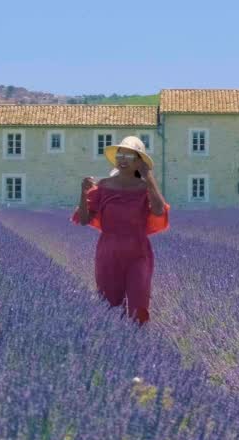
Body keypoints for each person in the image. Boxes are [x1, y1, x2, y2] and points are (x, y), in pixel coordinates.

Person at [71, 135, 170, 324]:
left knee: (139, 308)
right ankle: (114, 349)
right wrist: (83, 194)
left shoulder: (145, 189)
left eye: (130, 156)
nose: (123, 159)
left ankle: (140, 348)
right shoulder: (103, 187)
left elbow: (159, 210)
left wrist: (148, 176)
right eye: (120, 155)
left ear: (139, 162)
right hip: (109, 252)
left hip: (138, 253)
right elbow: (84, 220)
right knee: (109, 308)